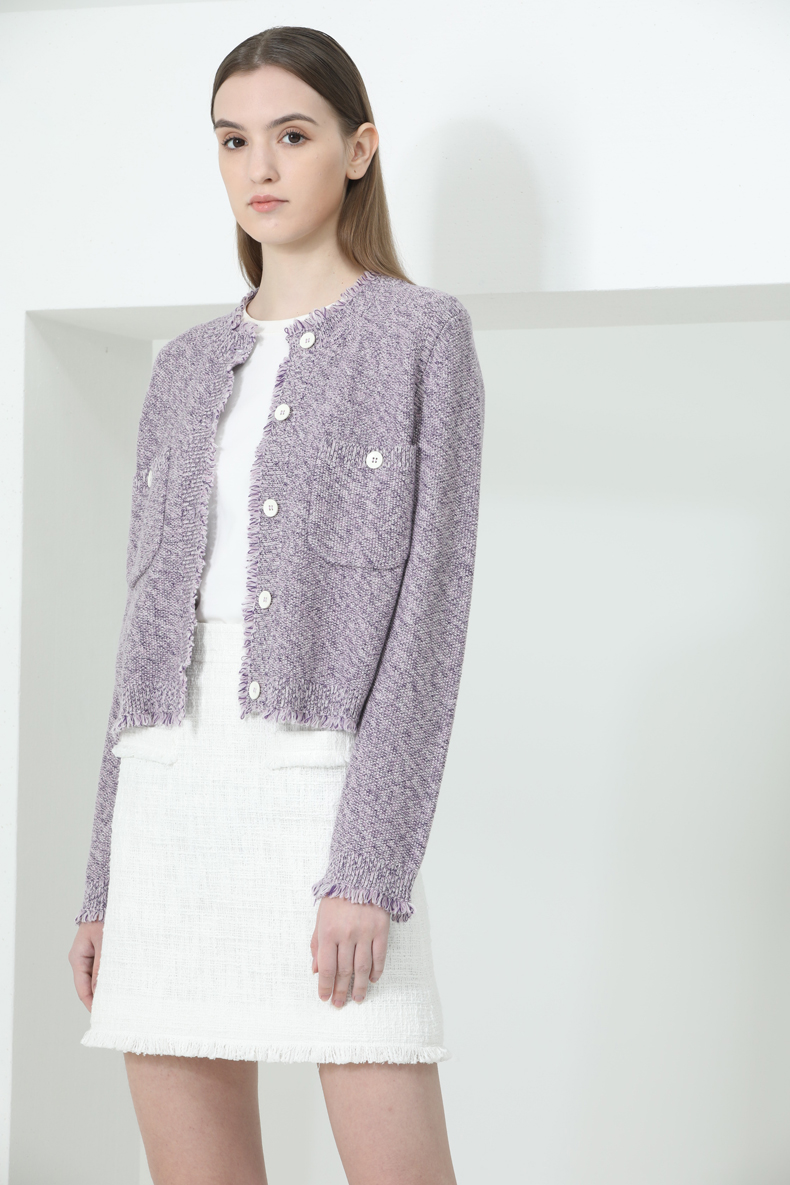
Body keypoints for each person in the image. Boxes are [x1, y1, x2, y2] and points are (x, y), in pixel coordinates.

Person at [67, 24, 484, 1185]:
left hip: (322, 795)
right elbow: (141, 639)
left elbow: (430, 620)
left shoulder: (420, 336)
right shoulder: (180, 364)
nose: (259, 166)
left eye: (292, 136)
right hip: (166, 799)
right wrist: (102, 886)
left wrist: (369, 871)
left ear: (358, 149)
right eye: (233, 140)